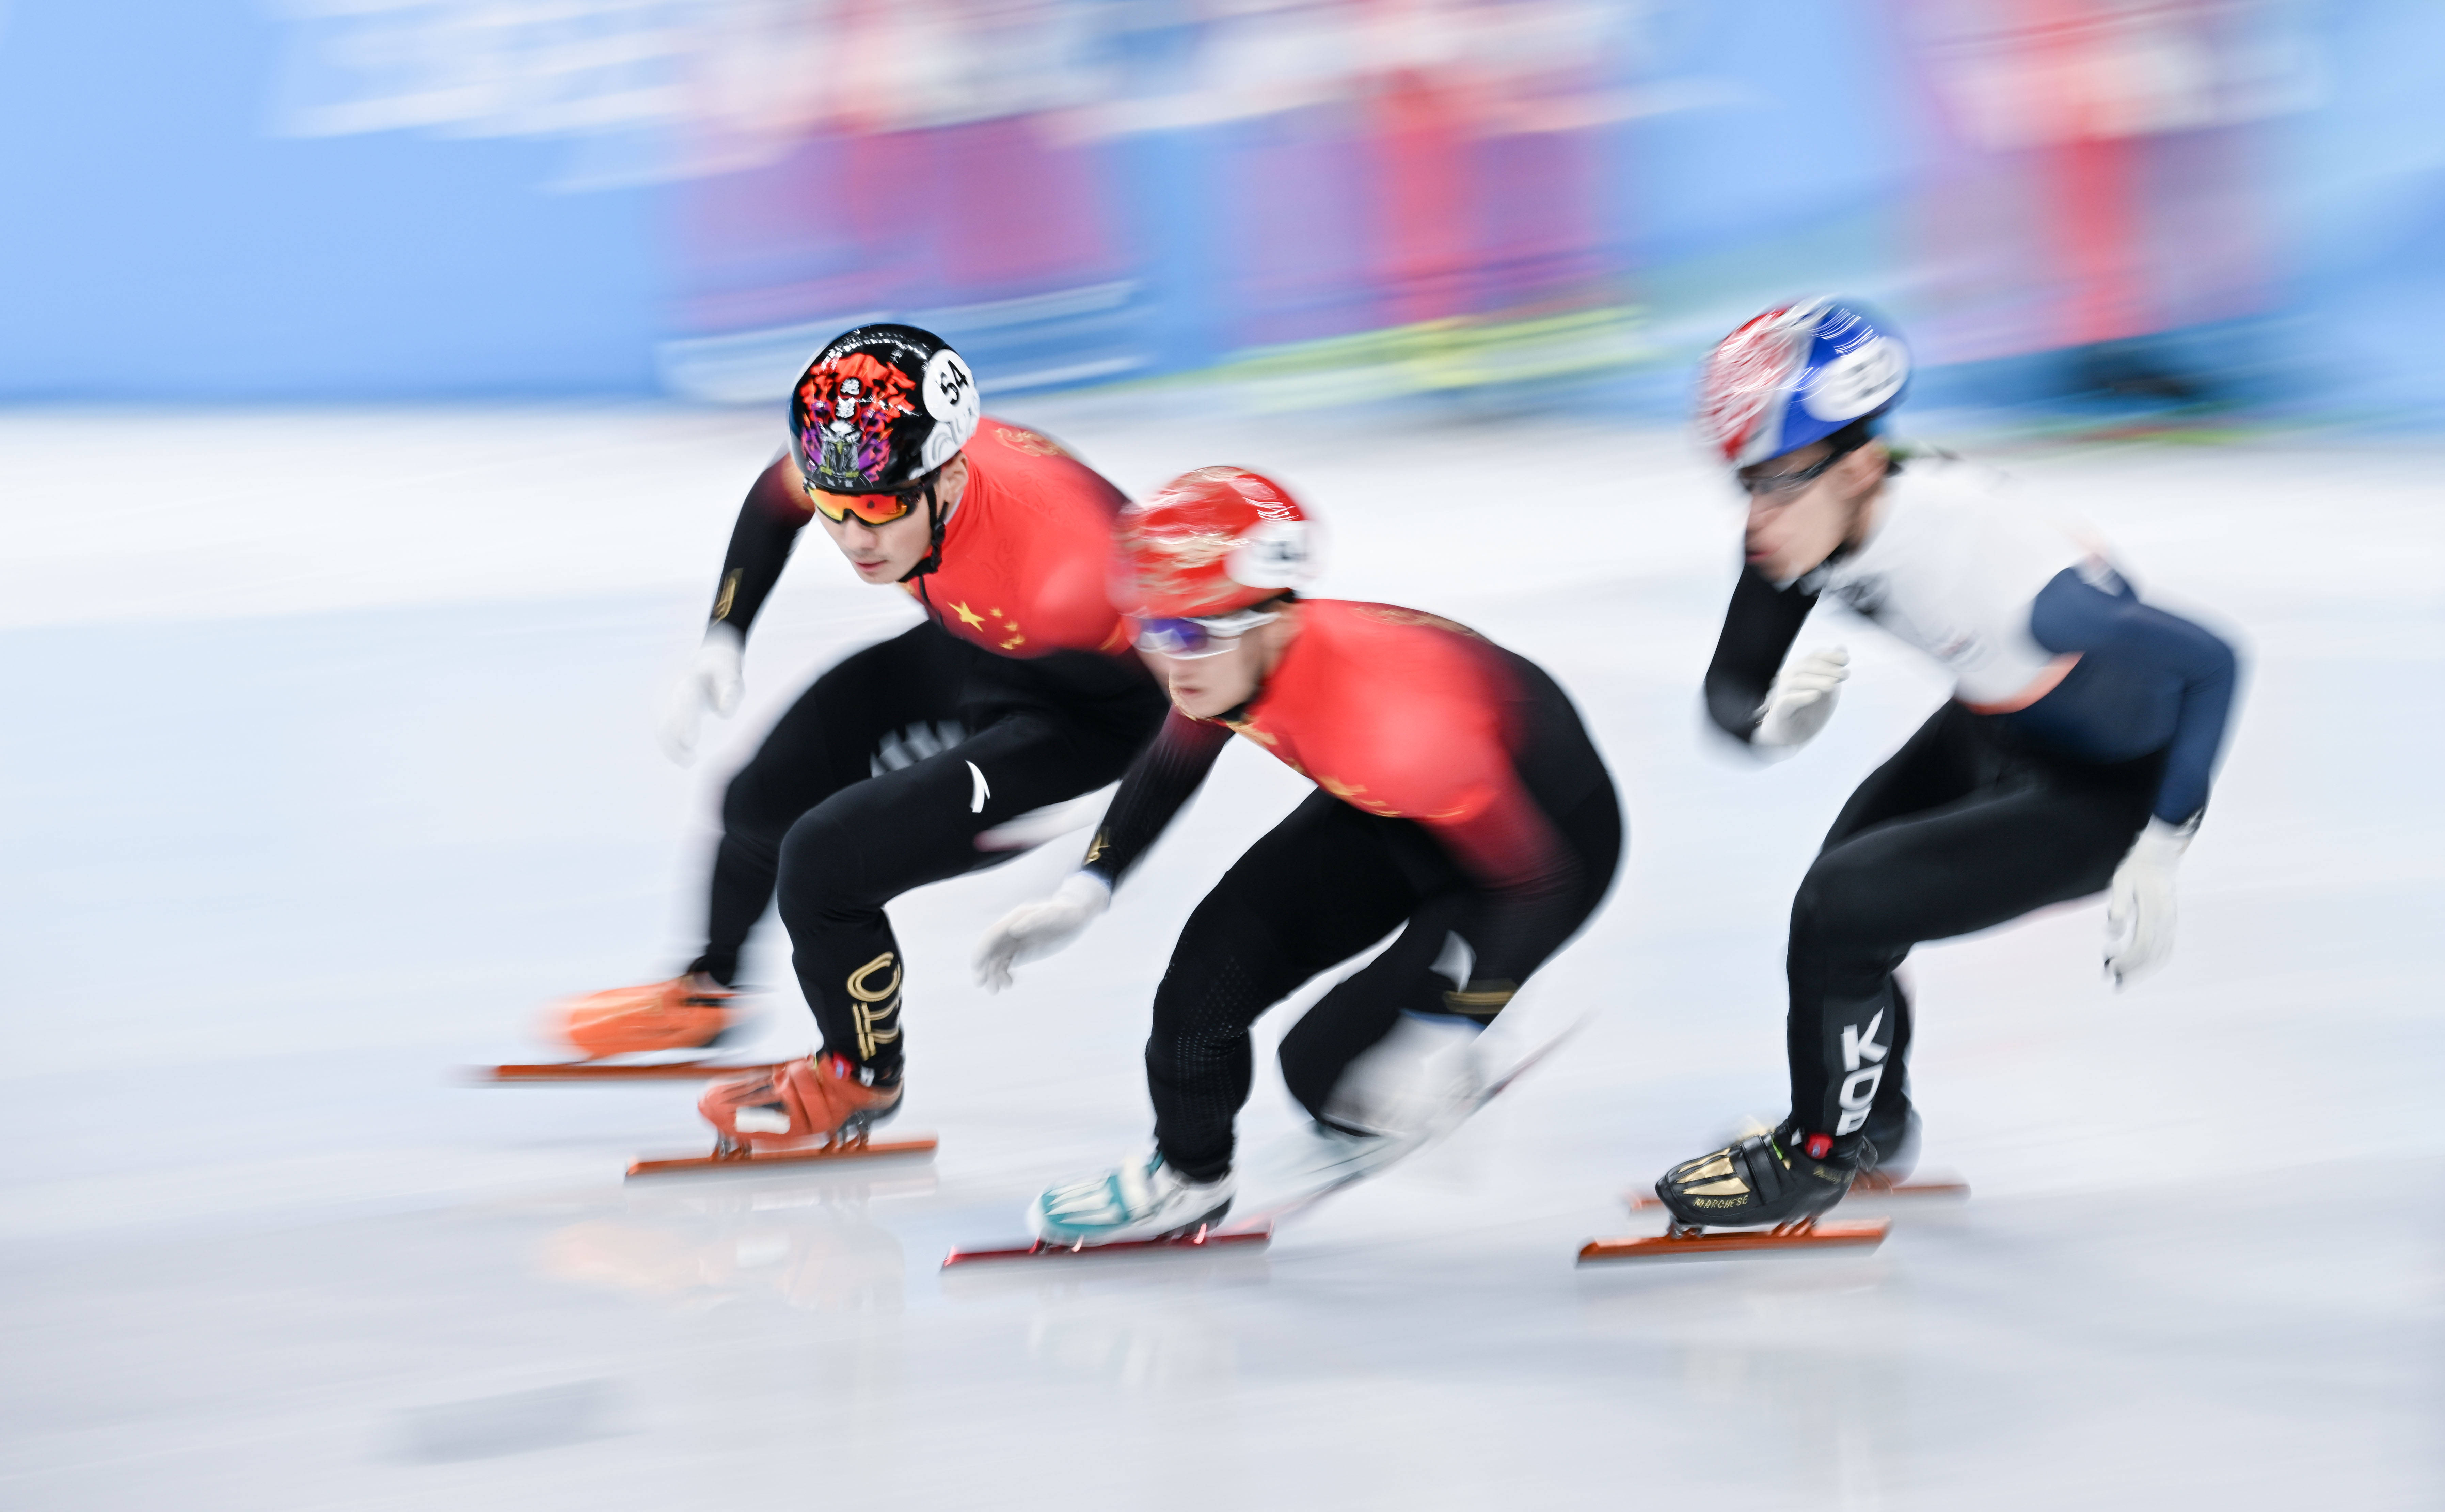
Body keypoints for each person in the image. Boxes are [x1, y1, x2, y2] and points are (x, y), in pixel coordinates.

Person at [1652, 298, 2240, 1230]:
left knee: (1840, 907)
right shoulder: (1805, 521)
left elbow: (2211, 661)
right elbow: (1730, 694)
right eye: (1742, 484)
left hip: (2102, 791)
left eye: (1773, 483)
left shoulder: (1996, 568)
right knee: (1836, 900)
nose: (1755, 516)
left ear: (1856, 466)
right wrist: (1768, 727)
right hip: (1996, 727)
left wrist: (2162, 843)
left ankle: (1815, 1156)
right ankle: (1871, 1122)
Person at [554, 324, 1168, 1151]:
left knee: (825, 860)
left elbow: (1205, 706)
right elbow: (777, 498)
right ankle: (709, 992)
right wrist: (723, 637)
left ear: (950, 475)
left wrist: (1099, 873)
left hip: (1081, 722)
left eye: (877, 511)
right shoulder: (865, 452)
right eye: (835, 508)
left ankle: (861, 1078)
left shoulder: (1082, 561)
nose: (853, 540)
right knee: (759, 799)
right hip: (976, 647)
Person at [977, 467, 1623, 1244]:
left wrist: (1455, 1025)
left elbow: (1538, 884)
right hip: (1394, 808)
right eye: (1148, 628)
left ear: (1277, 618)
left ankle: (1415, 1047)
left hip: (1540, 849)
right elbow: (1174, 755)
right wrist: (1088, 886)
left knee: (1327, 1072)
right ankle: (1187, 1179)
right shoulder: (1230, 651)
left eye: (1190, 632)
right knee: (1200, 992)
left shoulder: (1393, 724)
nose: (1169, 658)